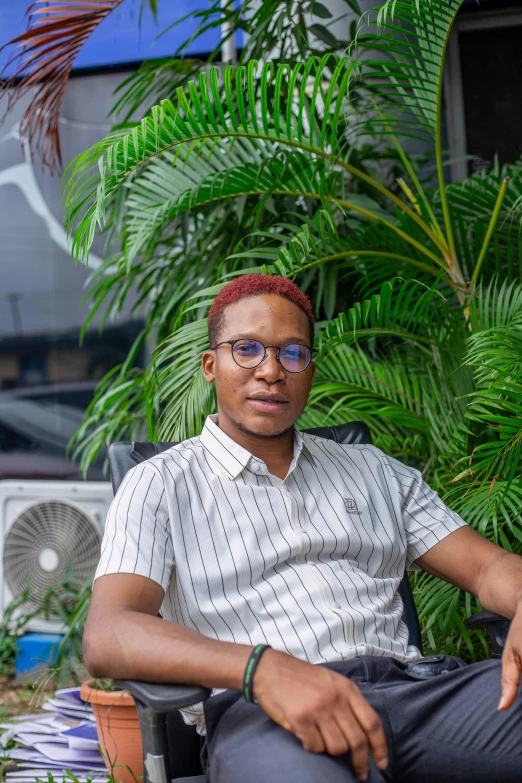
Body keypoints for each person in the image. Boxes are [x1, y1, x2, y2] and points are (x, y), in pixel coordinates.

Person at [84, 274, 522, 783]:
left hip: (418, 696)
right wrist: (261, 669)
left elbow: (490, 567)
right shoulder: (159, 485)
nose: (271, 371)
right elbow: (108, 633)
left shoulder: (375, 471)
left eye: (293, 353)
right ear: (210, 365)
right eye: (246, 349)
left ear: (310, 370)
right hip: (267, 716)